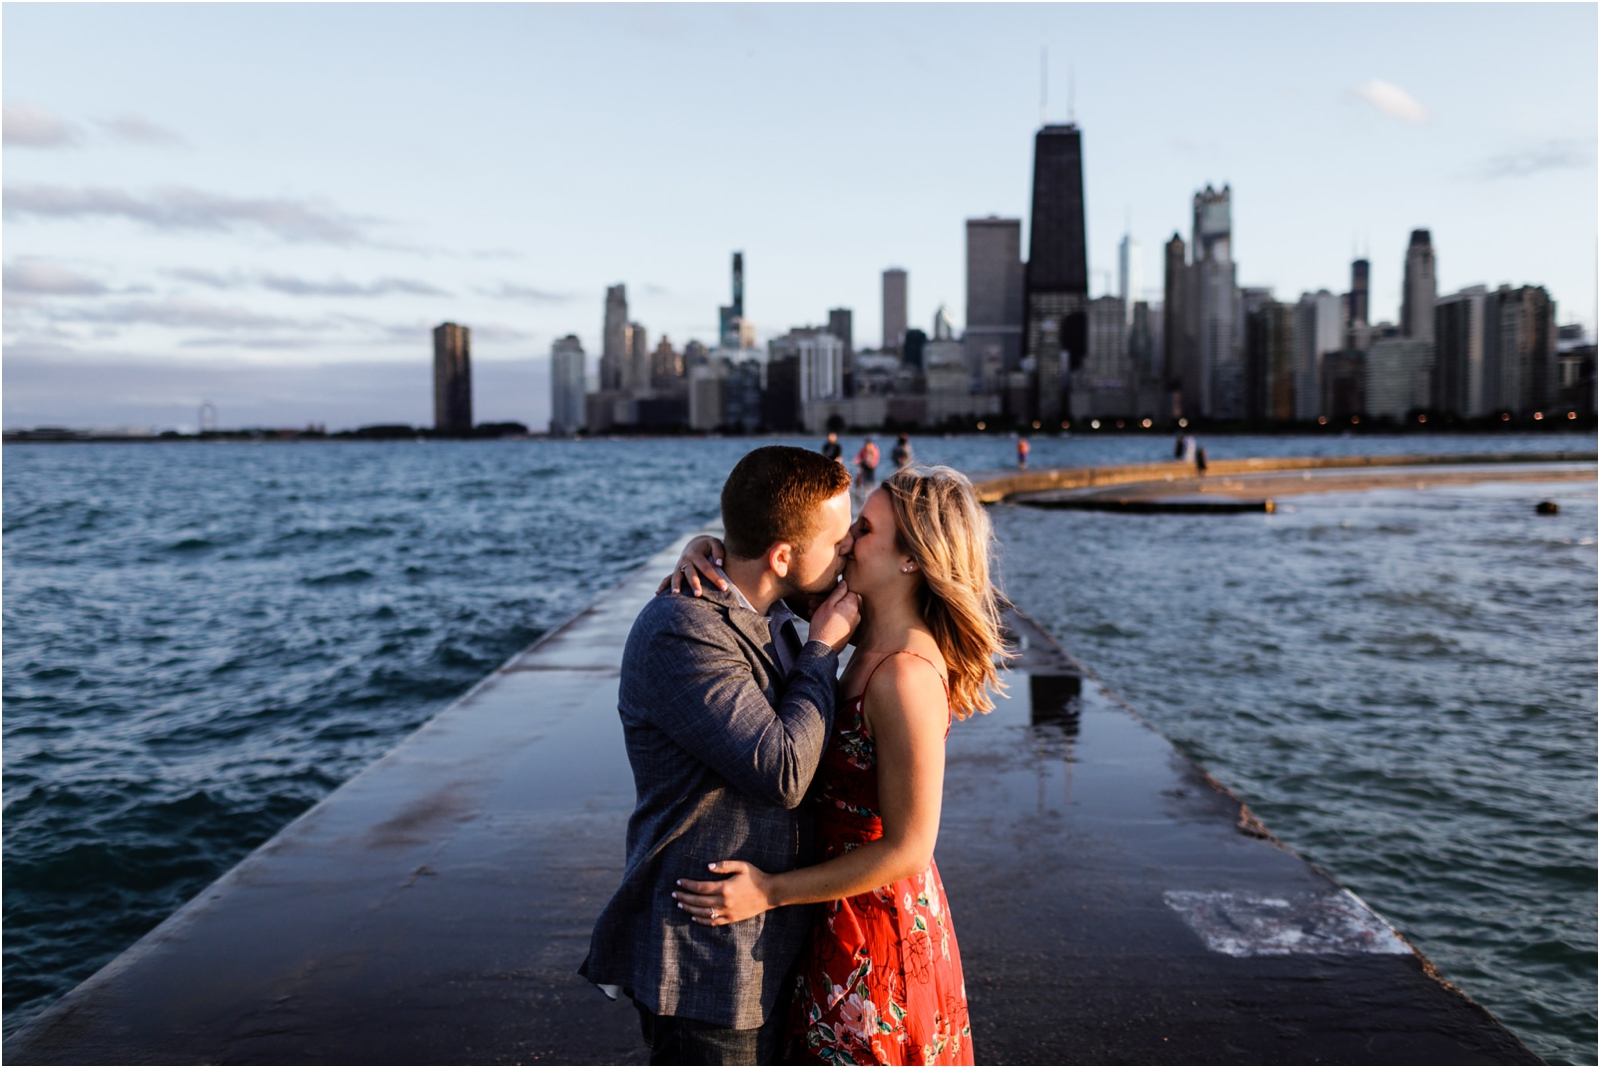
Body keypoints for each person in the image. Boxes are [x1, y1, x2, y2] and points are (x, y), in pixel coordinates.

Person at [669, 466, 1009, 1065]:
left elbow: (910, 847)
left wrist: (770, 892)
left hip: (876, 935)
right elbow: (770, 565)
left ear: (913, 560)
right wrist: (711, 551)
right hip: (833, 917)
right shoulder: (857, 636)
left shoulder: (904, 673)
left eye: (866, 529)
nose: (847, 541)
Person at [581, 446, 862, 1065]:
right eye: (840, 541)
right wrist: (821, 654)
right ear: (783, 556)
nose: (849, 551)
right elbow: (783, 771)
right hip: (708, 961)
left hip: (776, 948)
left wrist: (707, 543)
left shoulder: (782, 612)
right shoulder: (682, 631)